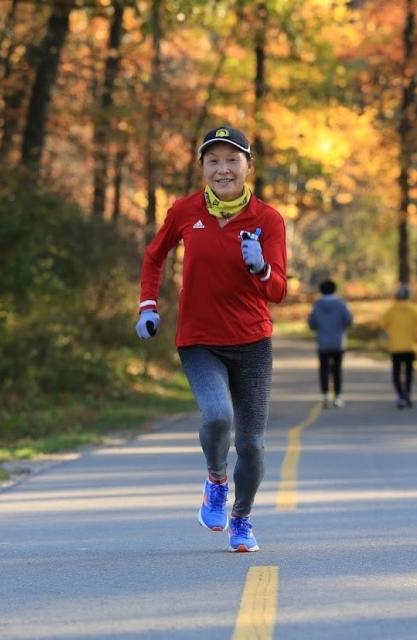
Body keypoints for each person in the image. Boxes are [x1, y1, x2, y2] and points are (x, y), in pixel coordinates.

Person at [135, 125, 287, 552]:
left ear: (248, 167)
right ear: (202, 167)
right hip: (199, 339)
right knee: (218, 416)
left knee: (253, 445)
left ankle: (241, 519)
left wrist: (261, 269)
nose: (223, 169)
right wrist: (148, 305)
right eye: (213, 161)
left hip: (253, 343)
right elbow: (154, 256)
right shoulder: (184, 211)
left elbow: (278, 291)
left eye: (232, 160)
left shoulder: (268, 219)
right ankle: (216, 480)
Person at [379, 283, 417, 409]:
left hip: (395, 347)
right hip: (411, 346)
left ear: (397, 296)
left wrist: (385, 340)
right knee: (409, 373)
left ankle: (400, 396)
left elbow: (383, 326)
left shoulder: (391, 310)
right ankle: (408, 395)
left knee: (396, 373)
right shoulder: (415, 310)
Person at [308, 279, 353, 408]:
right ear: (335, 289)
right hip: (339, 342)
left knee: (323, 369)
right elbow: (348, 321)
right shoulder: (341, 304)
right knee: (337, 369)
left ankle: (325, 395)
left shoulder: (317, 305)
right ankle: (337, 396)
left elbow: (312, 324)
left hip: (323, 342)